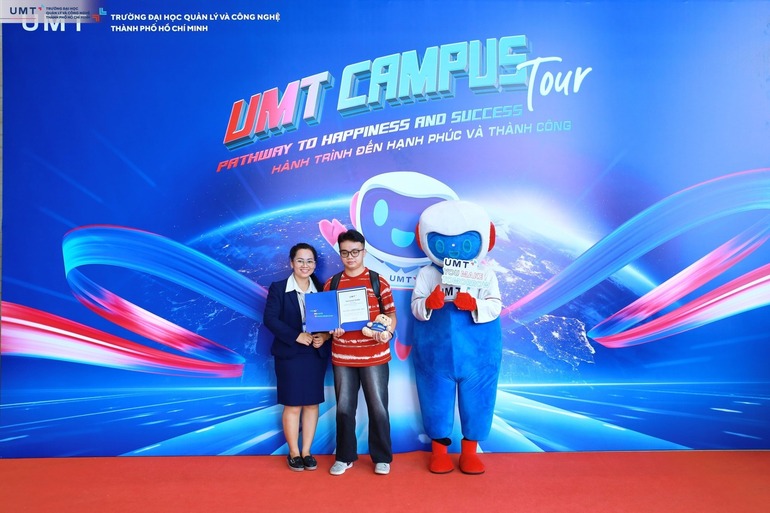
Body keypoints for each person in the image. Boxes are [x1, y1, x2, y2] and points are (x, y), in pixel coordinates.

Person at [324, 229, 397, 476]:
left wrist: (387, 331)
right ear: (340, 254)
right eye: (345, 253)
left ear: (363, 252)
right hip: (343, 356)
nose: (350, 257)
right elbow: (327, 319)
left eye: (355, 252)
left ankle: (382, 457)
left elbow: (391, 314)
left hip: (374, 356)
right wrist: (331, 329)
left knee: (378, 407)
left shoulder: (378, 281)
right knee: (344, 408)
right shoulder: (332, 283)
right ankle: (344, 457)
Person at [264, 242, 330, 472]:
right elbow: (270, 319)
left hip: (315, 353)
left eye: (310, 261)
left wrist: (324, 336)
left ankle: (307, 452)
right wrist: (296, 336)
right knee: (292, 404)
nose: (305, 265)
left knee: (312, 404)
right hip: (289, 353)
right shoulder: (279, 288)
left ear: (315, 264)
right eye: (300, 260)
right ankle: (293, 452)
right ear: (291, 263)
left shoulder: (322, 289)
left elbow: (330, 321)